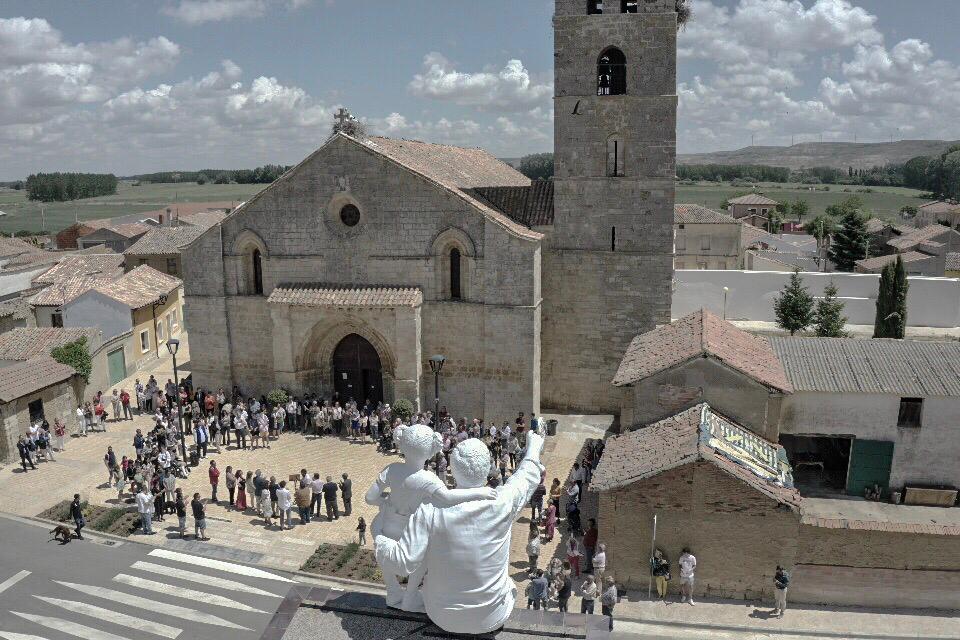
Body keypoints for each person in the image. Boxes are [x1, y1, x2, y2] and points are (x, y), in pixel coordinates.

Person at [374, 430, 546, 634]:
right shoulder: (502, 502)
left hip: (440, 615)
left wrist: (380, 538)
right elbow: (527, 476)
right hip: (493, 615)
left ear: (452, 470)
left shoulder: (430, 508)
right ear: (487, 470)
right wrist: (534, 446)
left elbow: (404, 563)